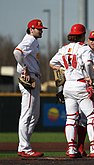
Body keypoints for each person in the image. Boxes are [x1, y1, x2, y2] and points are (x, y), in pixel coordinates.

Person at [49, 24, 94, 159]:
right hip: (81, 85)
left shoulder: (64, 49)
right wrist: (89, 79)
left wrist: (63, 70)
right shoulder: (84, 48)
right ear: (83, 35)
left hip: (68, 86)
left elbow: (52, 63)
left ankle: (71, 149)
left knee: (71, 118)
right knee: (93, 116)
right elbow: (88, 63)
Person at [13, 19, 47, 157]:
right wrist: (24, 68)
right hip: (29, 78)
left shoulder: (34, 41)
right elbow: (17, 52)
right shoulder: (30, 39)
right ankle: (24, 147)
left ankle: (25, 145)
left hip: (34, 77)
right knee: (27, 114)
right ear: (31, 29)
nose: (41, 30)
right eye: (39, 29)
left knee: (34, 115)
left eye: (41, 28)